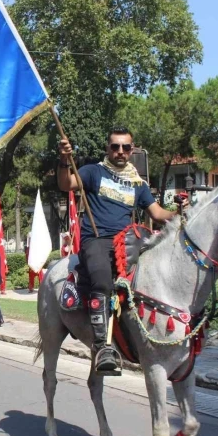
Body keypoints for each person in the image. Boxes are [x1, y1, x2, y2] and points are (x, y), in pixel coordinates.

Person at [57, 126, 187, 375]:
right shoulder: (94, 172)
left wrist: (180, 212)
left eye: (125, 147)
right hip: (96, 240)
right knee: (103, 283)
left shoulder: (138, 183)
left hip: (127, 243)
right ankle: (102, 347)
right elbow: (66, 184)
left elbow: (158, 214)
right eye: (115, 146)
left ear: (132, 149)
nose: (120, 151)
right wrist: (64, 160)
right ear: (108, 148)